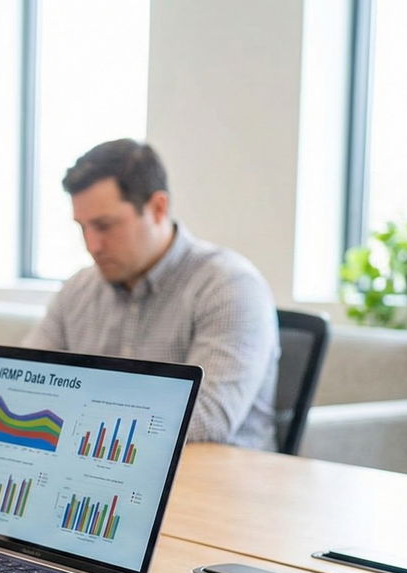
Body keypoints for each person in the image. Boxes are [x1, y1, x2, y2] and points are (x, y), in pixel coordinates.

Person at [25, 139, 279, 449]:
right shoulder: (78, 290)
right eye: (83, 228)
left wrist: (69, 415)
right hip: (108, 472)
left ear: (158, 208)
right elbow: (27, 385)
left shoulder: (228, 286)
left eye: (105, 226)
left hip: (216, 482)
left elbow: (206, 420)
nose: (92, 246)